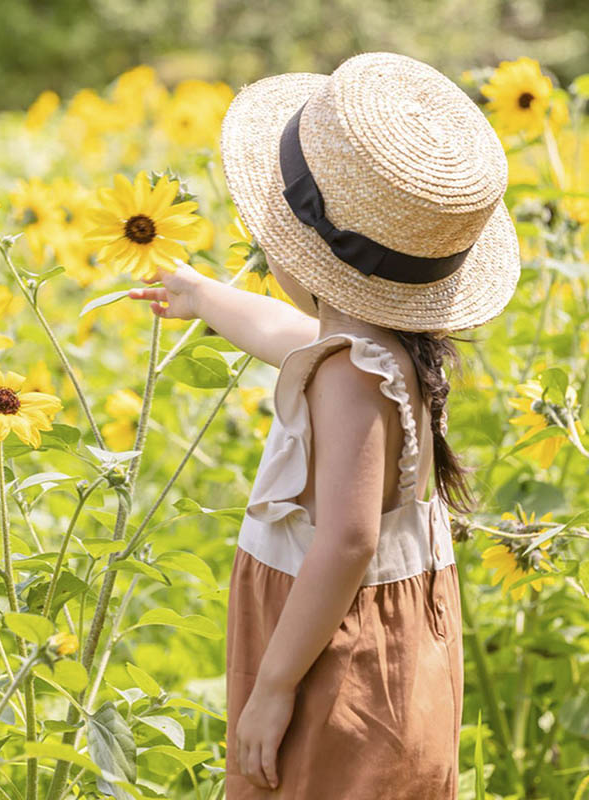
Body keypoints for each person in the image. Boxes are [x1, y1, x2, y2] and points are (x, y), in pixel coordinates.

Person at [129, 51, 520, 799]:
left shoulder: (349, 377)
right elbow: (286, 331)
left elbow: (346, 540)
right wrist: (205, 297)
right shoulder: (374, 348)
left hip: (331, 657)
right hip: (362, 642)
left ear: (310, 252)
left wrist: (274, 686)